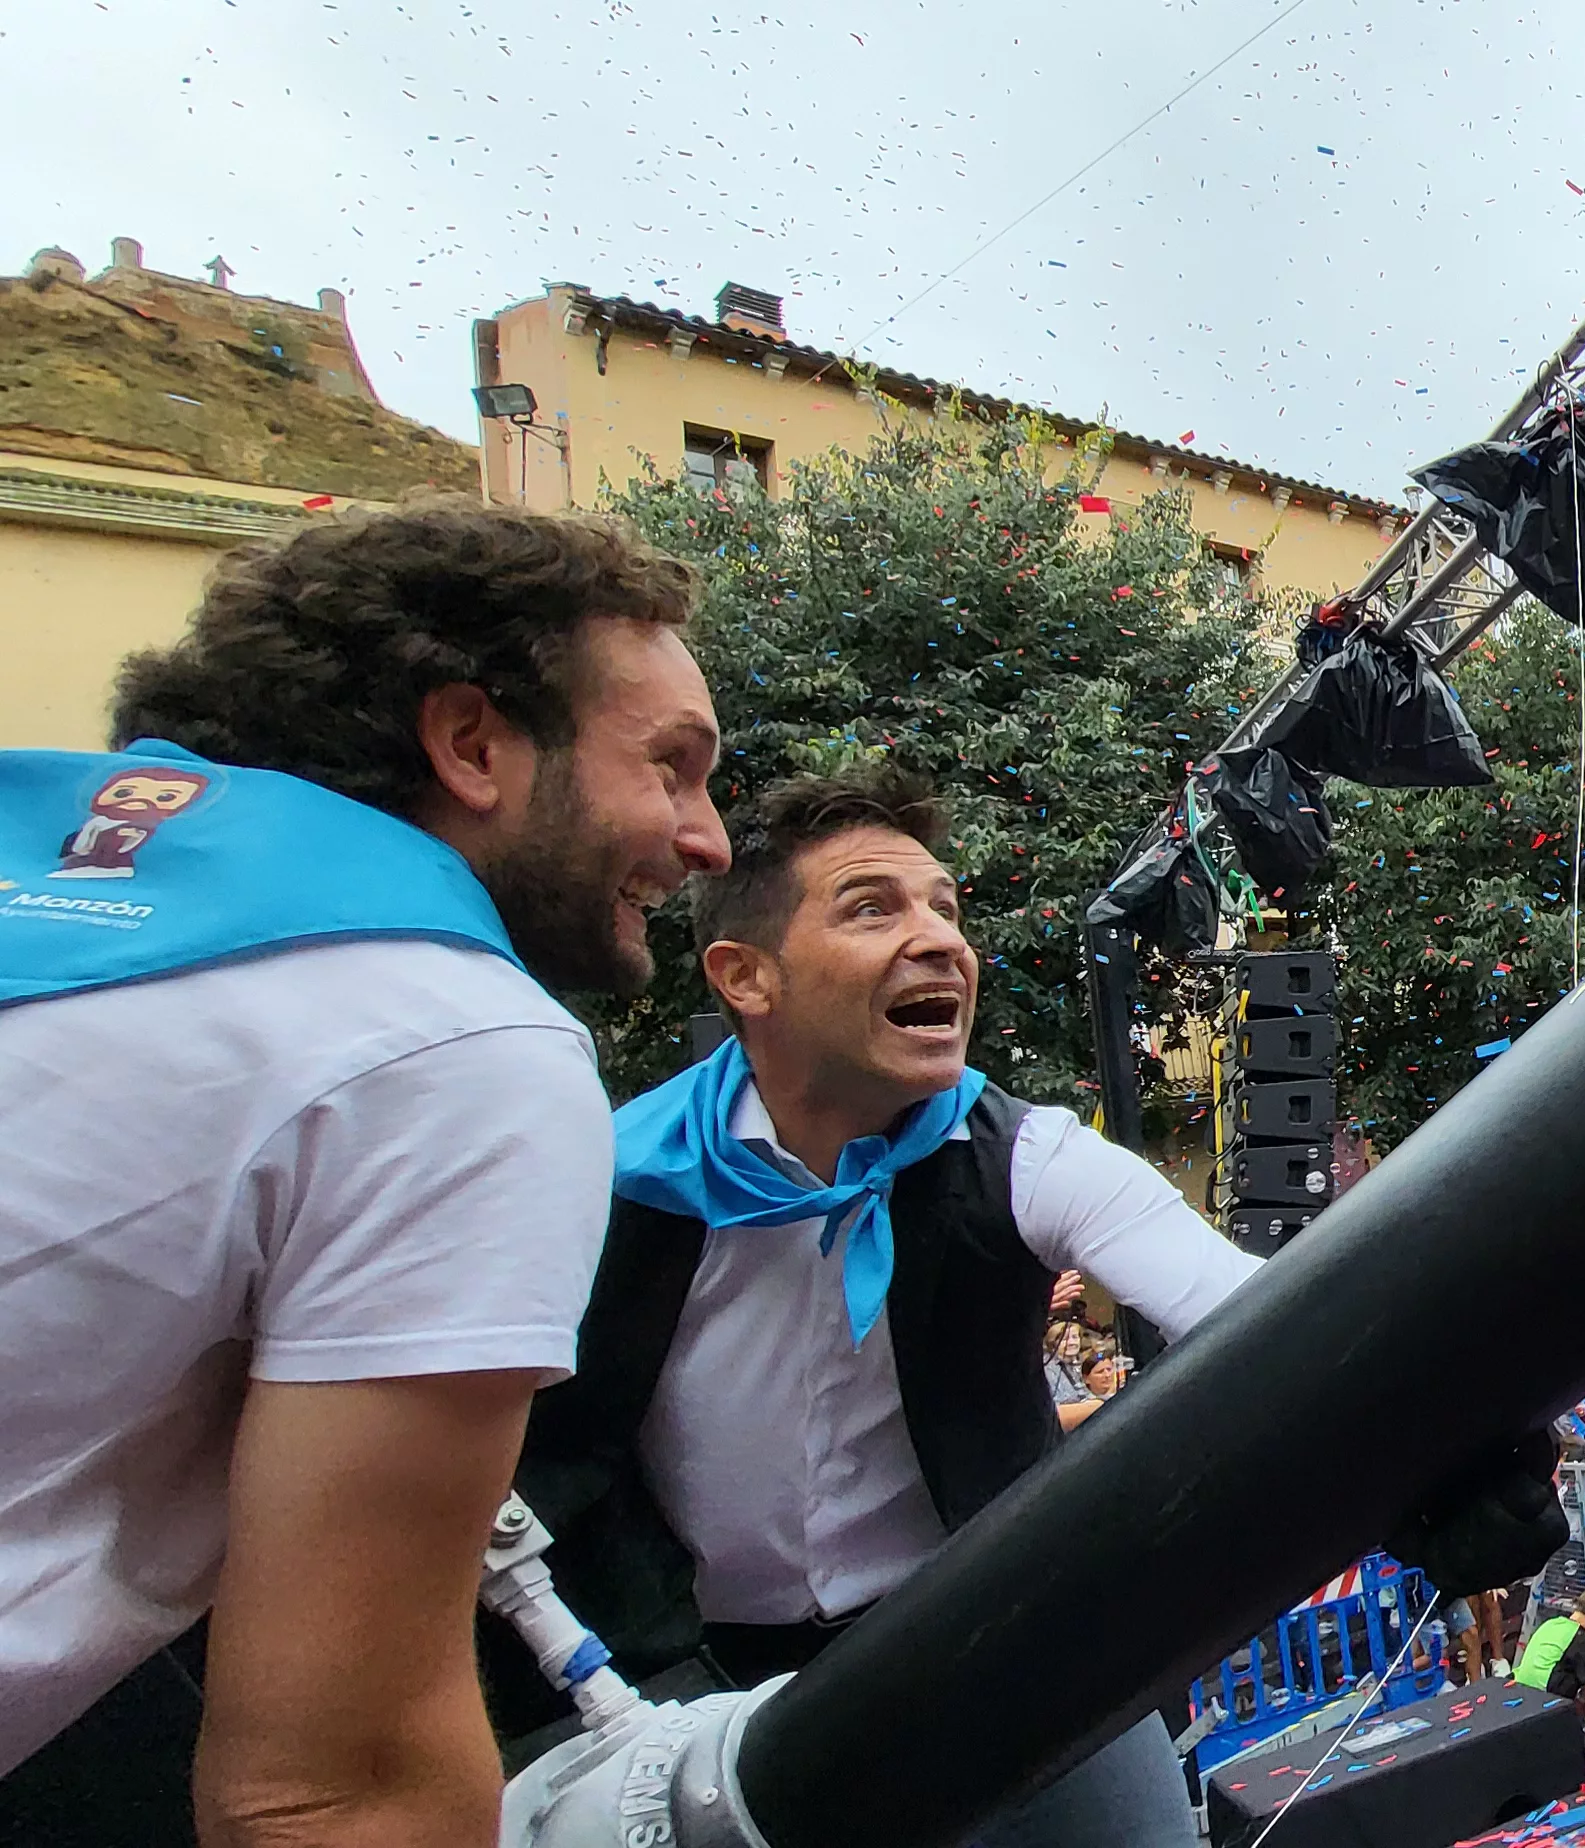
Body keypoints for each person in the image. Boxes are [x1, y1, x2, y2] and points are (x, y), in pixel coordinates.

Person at [0, 506, 730, 1845]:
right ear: (470, 744)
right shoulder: (452, 1039)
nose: (707, 839)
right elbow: (330, 1797)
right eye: (673, 768)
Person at [498, 767, 1268, 1846]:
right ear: (745, 978)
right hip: (704, 1683)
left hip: (1003, 1640)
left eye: (946, 910)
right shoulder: (607, 1181)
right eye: (874, 908)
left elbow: (1265, 1325)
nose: (942, 940)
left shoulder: (1025, 1158)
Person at [1513, 1588, 1585, 1716]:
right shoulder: (1581, 1636)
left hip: (1522, 1689)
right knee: (1583, 1685)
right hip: (1547, 1695)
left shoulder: (1552, 1623)